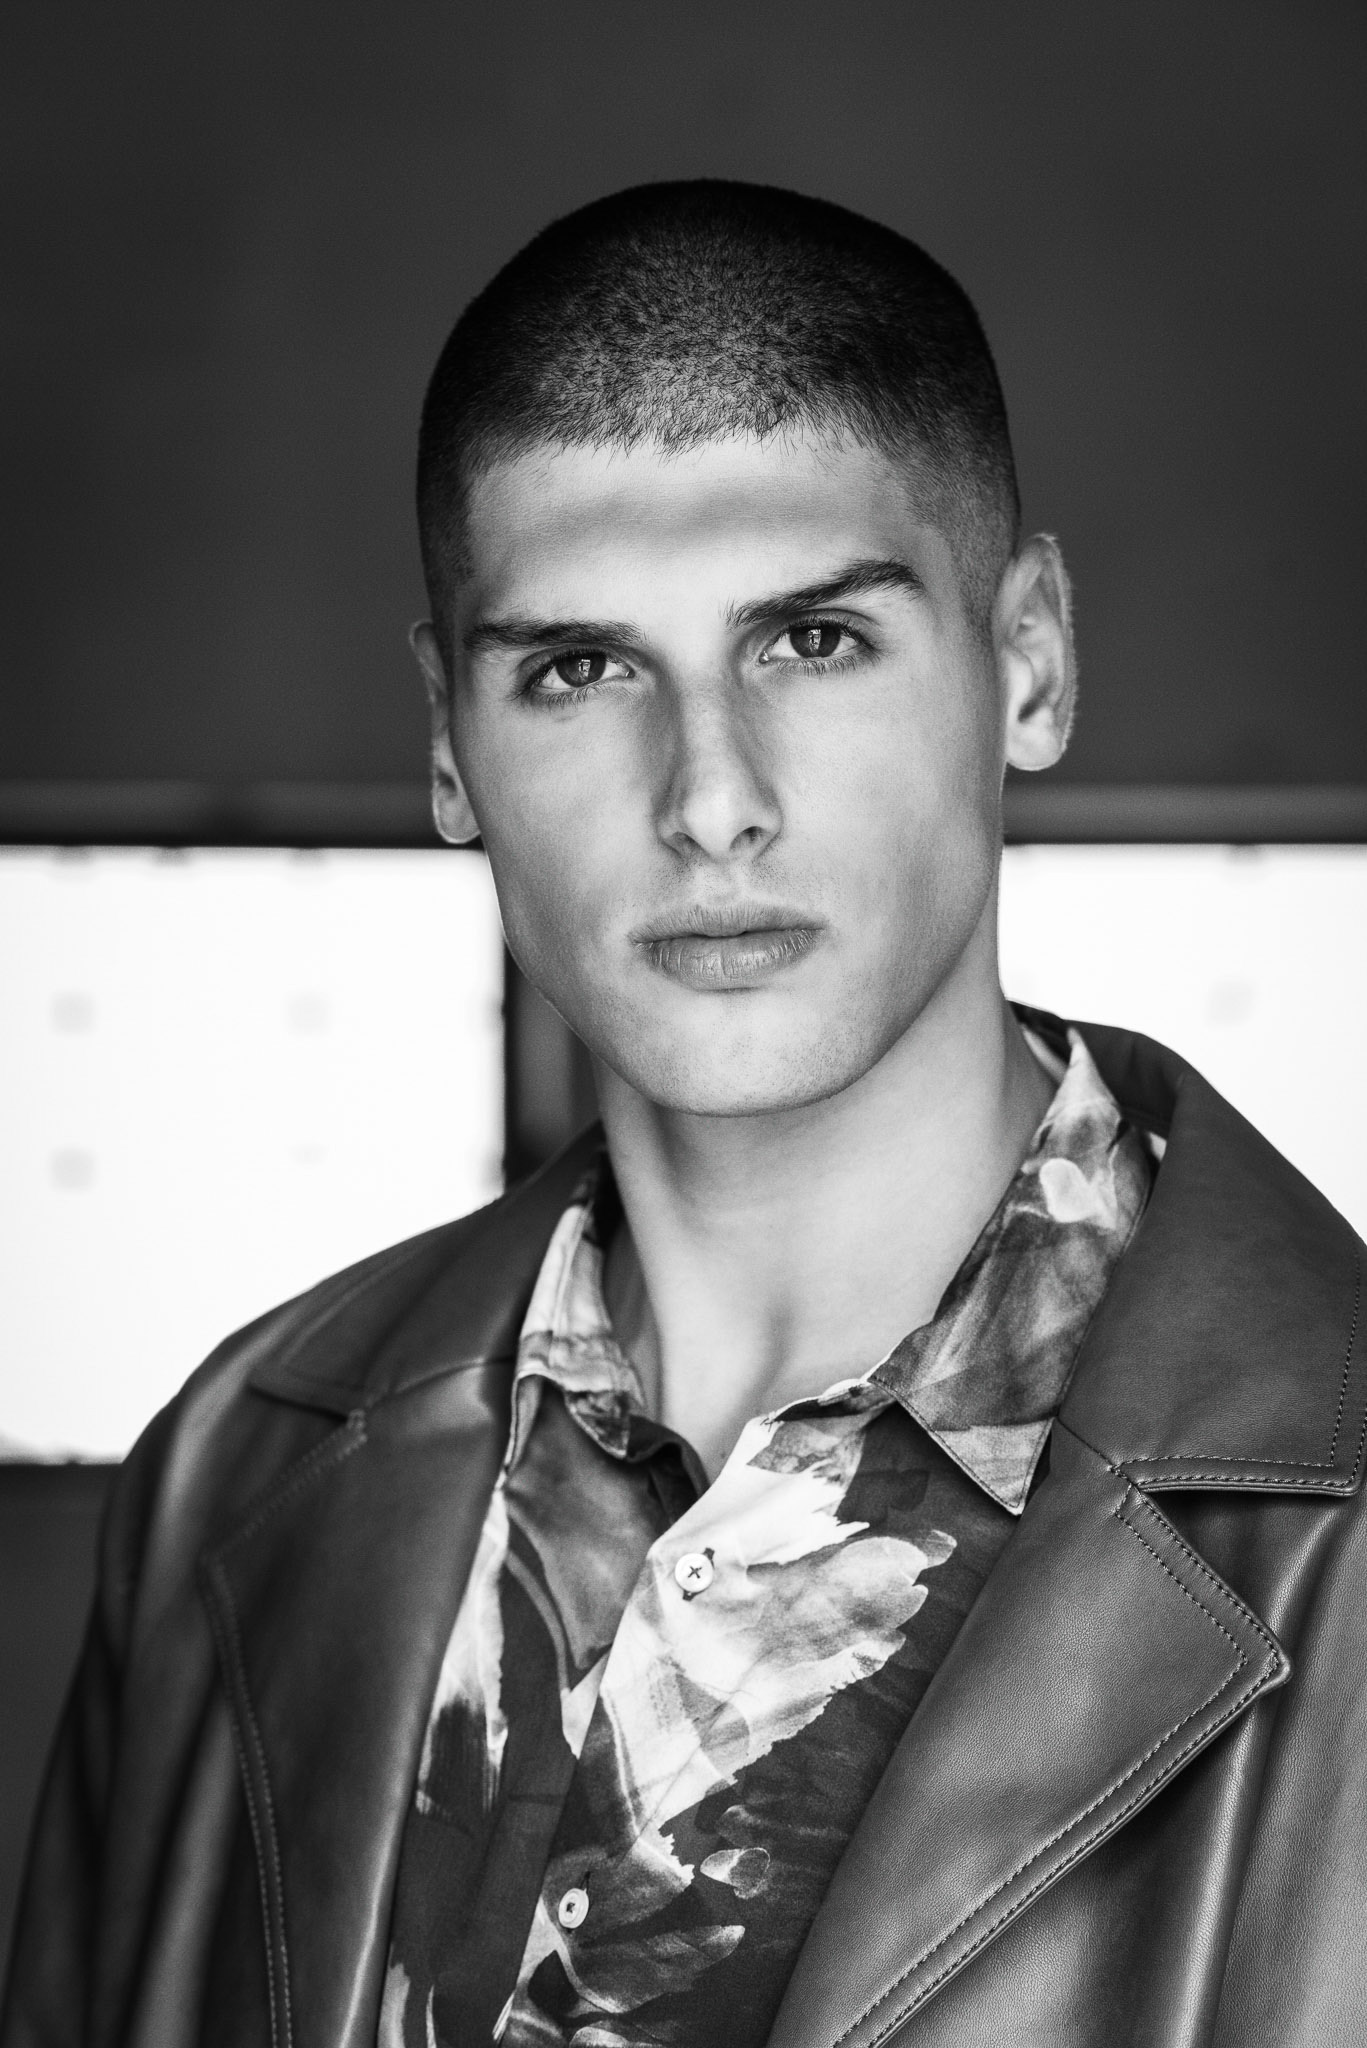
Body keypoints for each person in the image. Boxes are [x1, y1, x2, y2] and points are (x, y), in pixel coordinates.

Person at [3, 182, 1364, 2048]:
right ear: (449, 746)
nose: (710, 799)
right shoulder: (231, 1474)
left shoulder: (1337, 1512)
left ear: (1030, 661)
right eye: (580, 669)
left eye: (813, 640)